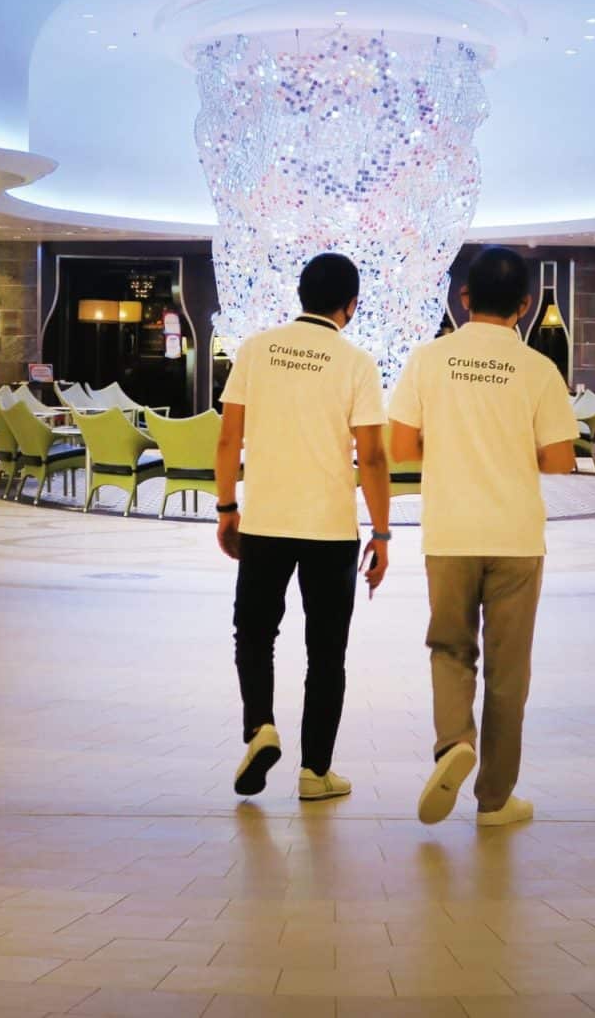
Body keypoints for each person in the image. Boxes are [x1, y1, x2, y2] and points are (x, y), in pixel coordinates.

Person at [388, 246, 579, 828]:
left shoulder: (428, 359)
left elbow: (400, 448)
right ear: (525, 305)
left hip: (450, 531)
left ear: (464, 298)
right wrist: (511, 447)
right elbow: (560, 460)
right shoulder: (539, 370)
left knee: (449, 648)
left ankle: (453, 742)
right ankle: (495, 800)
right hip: (516, 535)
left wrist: (451, 444)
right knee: (508, 670)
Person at [215, 253, 391, 802]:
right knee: (327, 652)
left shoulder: (256, 348)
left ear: (300, 294)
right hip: (331, 529)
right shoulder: (357, 362)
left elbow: (228, 439)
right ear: (351, 305)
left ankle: (260, 727)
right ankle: (316, 772)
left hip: (266, 521)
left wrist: (227, 508)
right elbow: (373, 457)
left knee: (254, 633)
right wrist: (382, 533)